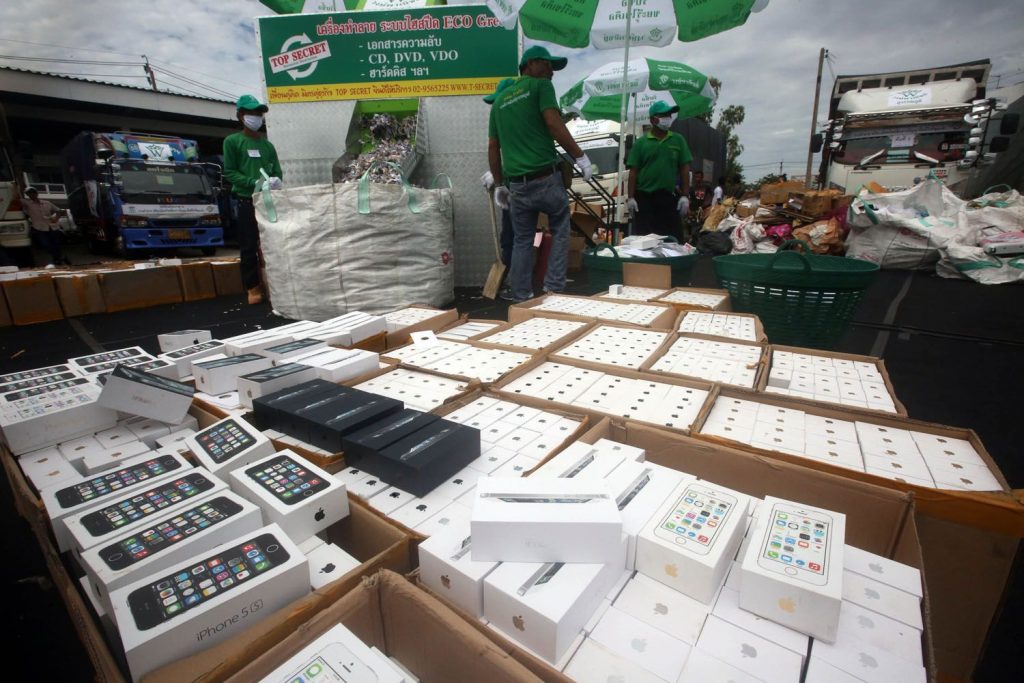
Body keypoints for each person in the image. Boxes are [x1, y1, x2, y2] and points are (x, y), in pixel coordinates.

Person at [488, 45, 592, 303]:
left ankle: (521, 295)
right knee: (560, 230)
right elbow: (553, 123)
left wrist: (499, 184)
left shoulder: (498, 102)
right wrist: (579, 155)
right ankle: (553, 290)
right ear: (531, 64)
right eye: (547, 65)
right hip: (546, 178)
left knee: (523, 240)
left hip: (518, 186)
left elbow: (493, 146)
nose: (551, 72)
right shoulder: (540, 87)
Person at [223, 94, 283, 305]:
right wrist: (253, 182)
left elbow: (276, 170)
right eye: (251, 113)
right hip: (247, 200)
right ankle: (253, 287)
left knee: (271, 245)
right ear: (241, 115)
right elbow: (230, 172)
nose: (256, 117)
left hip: (268, 202)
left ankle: (274, 285)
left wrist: (276, 181)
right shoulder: (233, 142)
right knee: (249, 247)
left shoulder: (268, 146)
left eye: (258, 113)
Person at [625, 101, 692, 241]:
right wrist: (630, 197)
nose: (668, 118)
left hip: (667, 197)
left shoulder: (678, 140)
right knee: (645, 240)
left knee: (673, 240)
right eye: (663, 115)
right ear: (652, 120)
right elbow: (633, 171)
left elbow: (684, 168)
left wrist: (685, 196)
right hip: (644, 198)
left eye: (669, 115)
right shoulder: (641, 143)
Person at [480, 77, 518, 277]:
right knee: (509, 237)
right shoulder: (508, 121)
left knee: (515, 237)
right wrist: (497, 175)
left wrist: (499, 175)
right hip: (511, 189)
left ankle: (516, 282)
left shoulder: (520, 121)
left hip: (519, 189)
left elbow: (520, 157)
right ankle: (512, 280)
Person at [23, 187, 68, 267]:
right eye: (29, 193)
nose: (32, 195)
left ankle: (57, 259)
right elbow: (15, 198)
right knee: (46, 244)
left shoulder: (47, 203)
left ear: (36, 193)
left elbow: (59, 211)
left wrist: (56, 218)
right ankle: (59, 257)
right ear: (28, 195)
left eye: (33, 193)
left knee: (56, 244)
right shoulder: (28, 204)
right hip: (40, 228)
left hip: (52, 227)